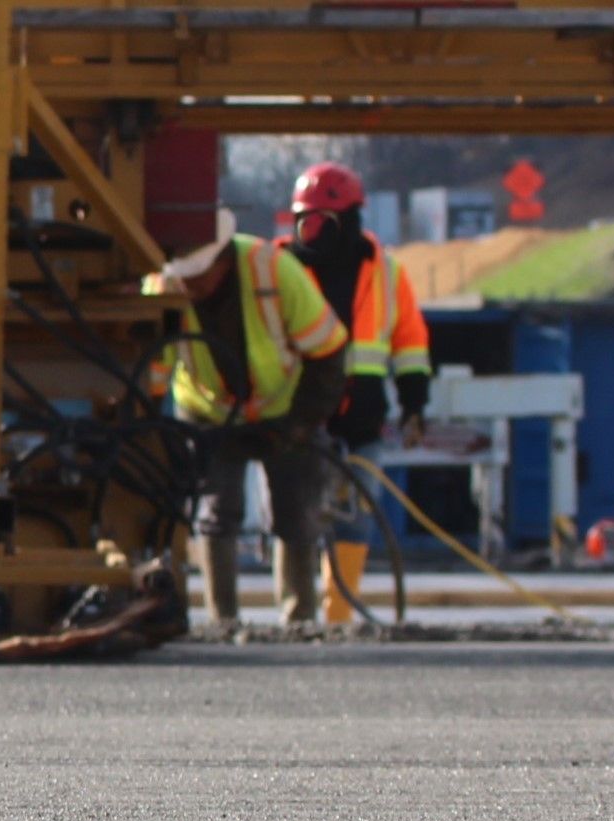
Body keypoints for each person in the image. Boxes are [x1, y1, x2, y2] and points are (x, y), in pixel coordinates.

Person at [153, 210, 349, 634]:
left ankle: (299, 619)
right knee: (216, 514)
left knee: (295, 513)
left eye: (199, 275)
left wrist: (301, 422)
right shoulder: (164, 287)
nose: (190, 287)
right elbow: (149, 369)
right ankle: (222, 620)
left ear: (222, 262)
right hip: (208, 411)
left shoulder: (275, 272)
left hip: (284, 409)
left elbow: (328, 352)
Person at [278, 162, 432, 624]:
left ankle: (338, 615)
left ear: (347, 219)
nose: (311, 230)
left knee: (356, 518)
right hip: (298, 419)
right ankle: (298, 617)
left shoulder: (383, 270)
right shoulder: (279, 265)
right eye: (304, 219)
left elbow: (410, 343)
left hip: (360, 421)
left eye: (320, 219)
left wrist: (414, 406)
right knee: (295, 520)